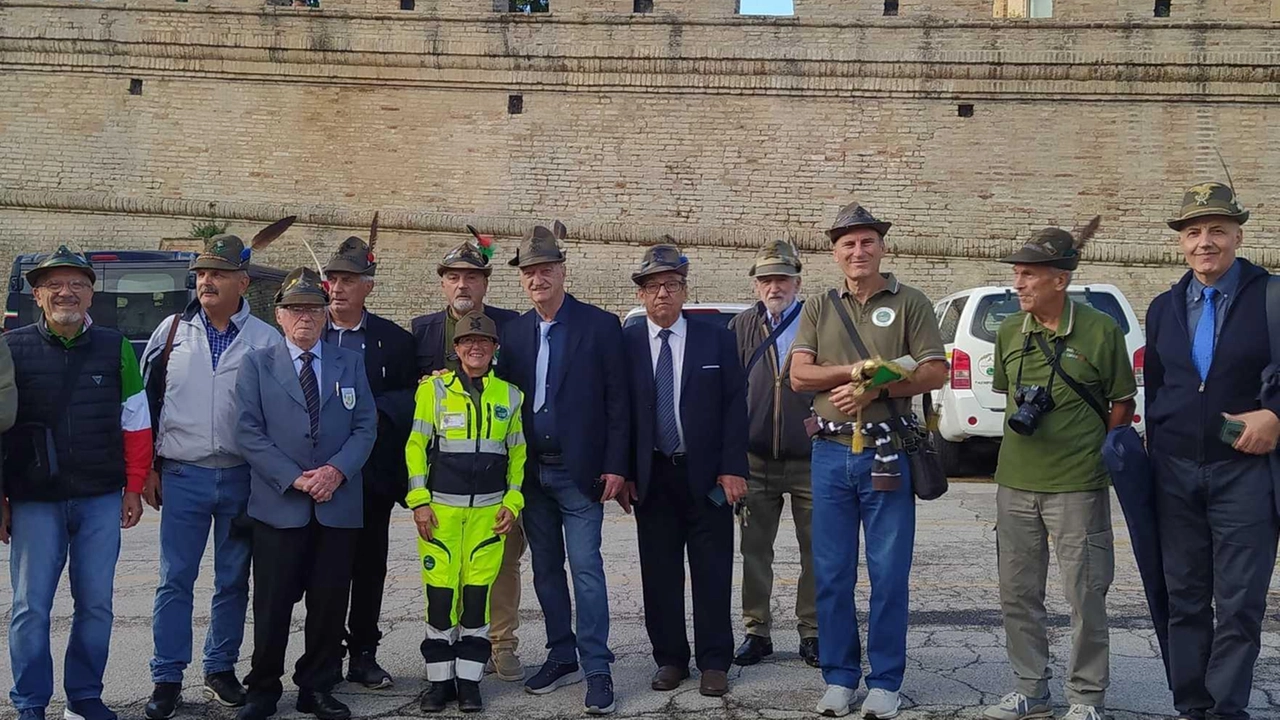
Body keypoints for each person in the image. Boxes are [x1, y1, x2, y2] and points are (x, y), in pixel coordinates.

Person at [790, 203, 947, 719]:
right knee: (831, 571)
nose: (858, 252)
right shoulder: (818, 306)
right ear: (835, 252)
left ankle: (884, 680)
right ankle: (839, 676)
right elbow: (799, 376)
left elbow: (933, 370)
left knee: (888, 572)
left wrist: (876, 387)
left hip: (889, 452)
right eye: (847, 244)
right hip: (830, 454)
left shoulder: (911, 303)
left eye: (866, 242)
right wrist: (856, 371)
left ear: (882, 246)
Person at [982, 219, 1136, 720]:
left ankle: (1086, 696)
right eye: (1017, 274)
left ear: (1060, 280)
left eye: (1029, 274)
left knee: (1086, 594)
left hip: (1078, 485)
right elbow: (1007, 390)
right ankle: (1031, 688)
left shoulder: (1100, 329)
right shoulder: (1009, 330)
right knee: (1018, 593)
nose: (1018, 283)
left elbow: (1121, 401)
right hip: (1015, 483)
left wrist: (1097, 454)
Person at [1145, 182, 1280, 720]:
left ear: (1238, 236)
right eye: (1194, 231)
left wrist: (1276, 416)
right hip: (1175, 473)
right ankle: (1191, 705)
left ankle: (1226, 709)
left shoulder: (1272, 298)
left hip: (1244, 472)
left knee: (1241, 604)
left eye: (1217, 231)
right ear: (1181, 243)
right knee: (1184, 601)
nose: (1206, 242)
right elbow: (1156, 388)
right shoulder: (1162, 307)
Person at [2, 247, 153, 720]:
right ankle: (30, 703)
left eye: (77, 284)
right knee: (30, 608)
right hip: (34, 500)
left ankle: (85, 698)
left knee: (96, 606)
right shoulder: (11, 347)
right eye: (54, 285)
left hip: (99, 497)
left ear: (91, 293)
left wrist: (133, 486)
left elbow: (137, 423)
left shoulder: (116, 347)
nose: (66, 292)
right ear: (37, 294)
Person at [141, 233, 283, 720]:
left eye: (218, 273)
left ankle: (220, 668)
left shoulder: (266, 340)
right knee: (174, 579)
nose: (206, 281)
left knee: (232, 581)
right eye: (202, 273)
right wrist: (148, 471)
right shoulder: (171, 332)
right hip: (182, 473)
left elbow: (276, 415)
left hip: (243, 478)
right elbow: (148, 403)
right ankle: (166, 676)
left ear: (242, 282)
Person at [496, 221, 630, 715]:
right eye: (530, 272)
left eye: (546, 268)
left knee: (587, 570)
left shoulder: (599, 326)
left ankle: (597, 665)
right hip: (531, 476)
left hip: (581, 475)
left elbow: (618, 403)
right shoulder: (513, 333)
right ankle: (561, 653)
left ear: (563, 272)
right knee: (546, 571)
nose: (538, 278)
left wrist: (617, 464)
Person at [233, 267, 376, 720]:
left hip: (337, 505)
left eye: (314, 309)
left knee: (330, 603)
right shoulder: (257, 363)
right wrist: (296, 478)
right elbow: (248, 433)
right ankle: (262, 689)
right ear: (279, 315)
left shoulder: (349, 362)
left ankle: (317, 686)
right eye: (296, 309)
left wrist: (336, 471)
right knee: (272, 604)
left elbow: (365, 425)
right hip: (281, 506)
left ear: (325, 315)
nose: (306, 318)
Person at [622, 244, 749, 698]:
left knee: (712, 570)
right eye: (653, 287)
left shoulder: (715, 338)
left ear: (684, 291)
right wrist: (623, 471)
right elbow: (621, 413)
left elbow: (736, 407)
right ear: (641, 295)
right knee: (659, 573)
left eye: (671, 285)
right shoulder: (629, 343)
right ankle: (671, 658)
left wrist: (734, 468)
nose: (662, 294)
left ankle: (715, 660)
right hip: (652, 475)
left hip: (708, 476)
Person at [410, 237, 525, 681]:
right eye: (454, 276)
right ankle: (446, 657)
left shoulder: (510, 327)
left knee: (500, 564)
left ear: (485, 284)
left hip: (495, 474)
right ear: (443, 284)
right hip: (442, 485)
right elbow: (407, 408)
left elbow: (517, 390)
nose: (463, 284)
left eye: (472, 277)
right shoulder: (421, 329)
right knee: (445, 576)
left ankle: (501, 644)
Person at [322, 231, 418, 690]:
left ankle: (364, 652)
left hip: (371, 477)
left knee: (368, 568)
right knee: (322, 570)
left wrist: (377, 410)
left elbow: (411, 395)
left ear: (368, 286)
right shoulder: (309, 332)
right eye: (332, 278)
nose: (337, 287)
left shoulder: (393, 341)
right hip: (317, 476)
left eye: (348, 279)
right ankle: (322, 656)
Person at [728, 239, 819, 669]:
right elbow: (727, 394)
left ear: (797, 282)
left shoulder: (817, 322)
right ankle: (756, 630)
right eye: (765, 279)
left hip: (811, 458)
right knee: (755, 550)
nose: (773, 286)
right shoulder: (742, 326)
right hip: (755, 460)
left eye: (781, 278)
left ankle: (813, 631)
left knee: (816, 551)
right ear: (756, 286)